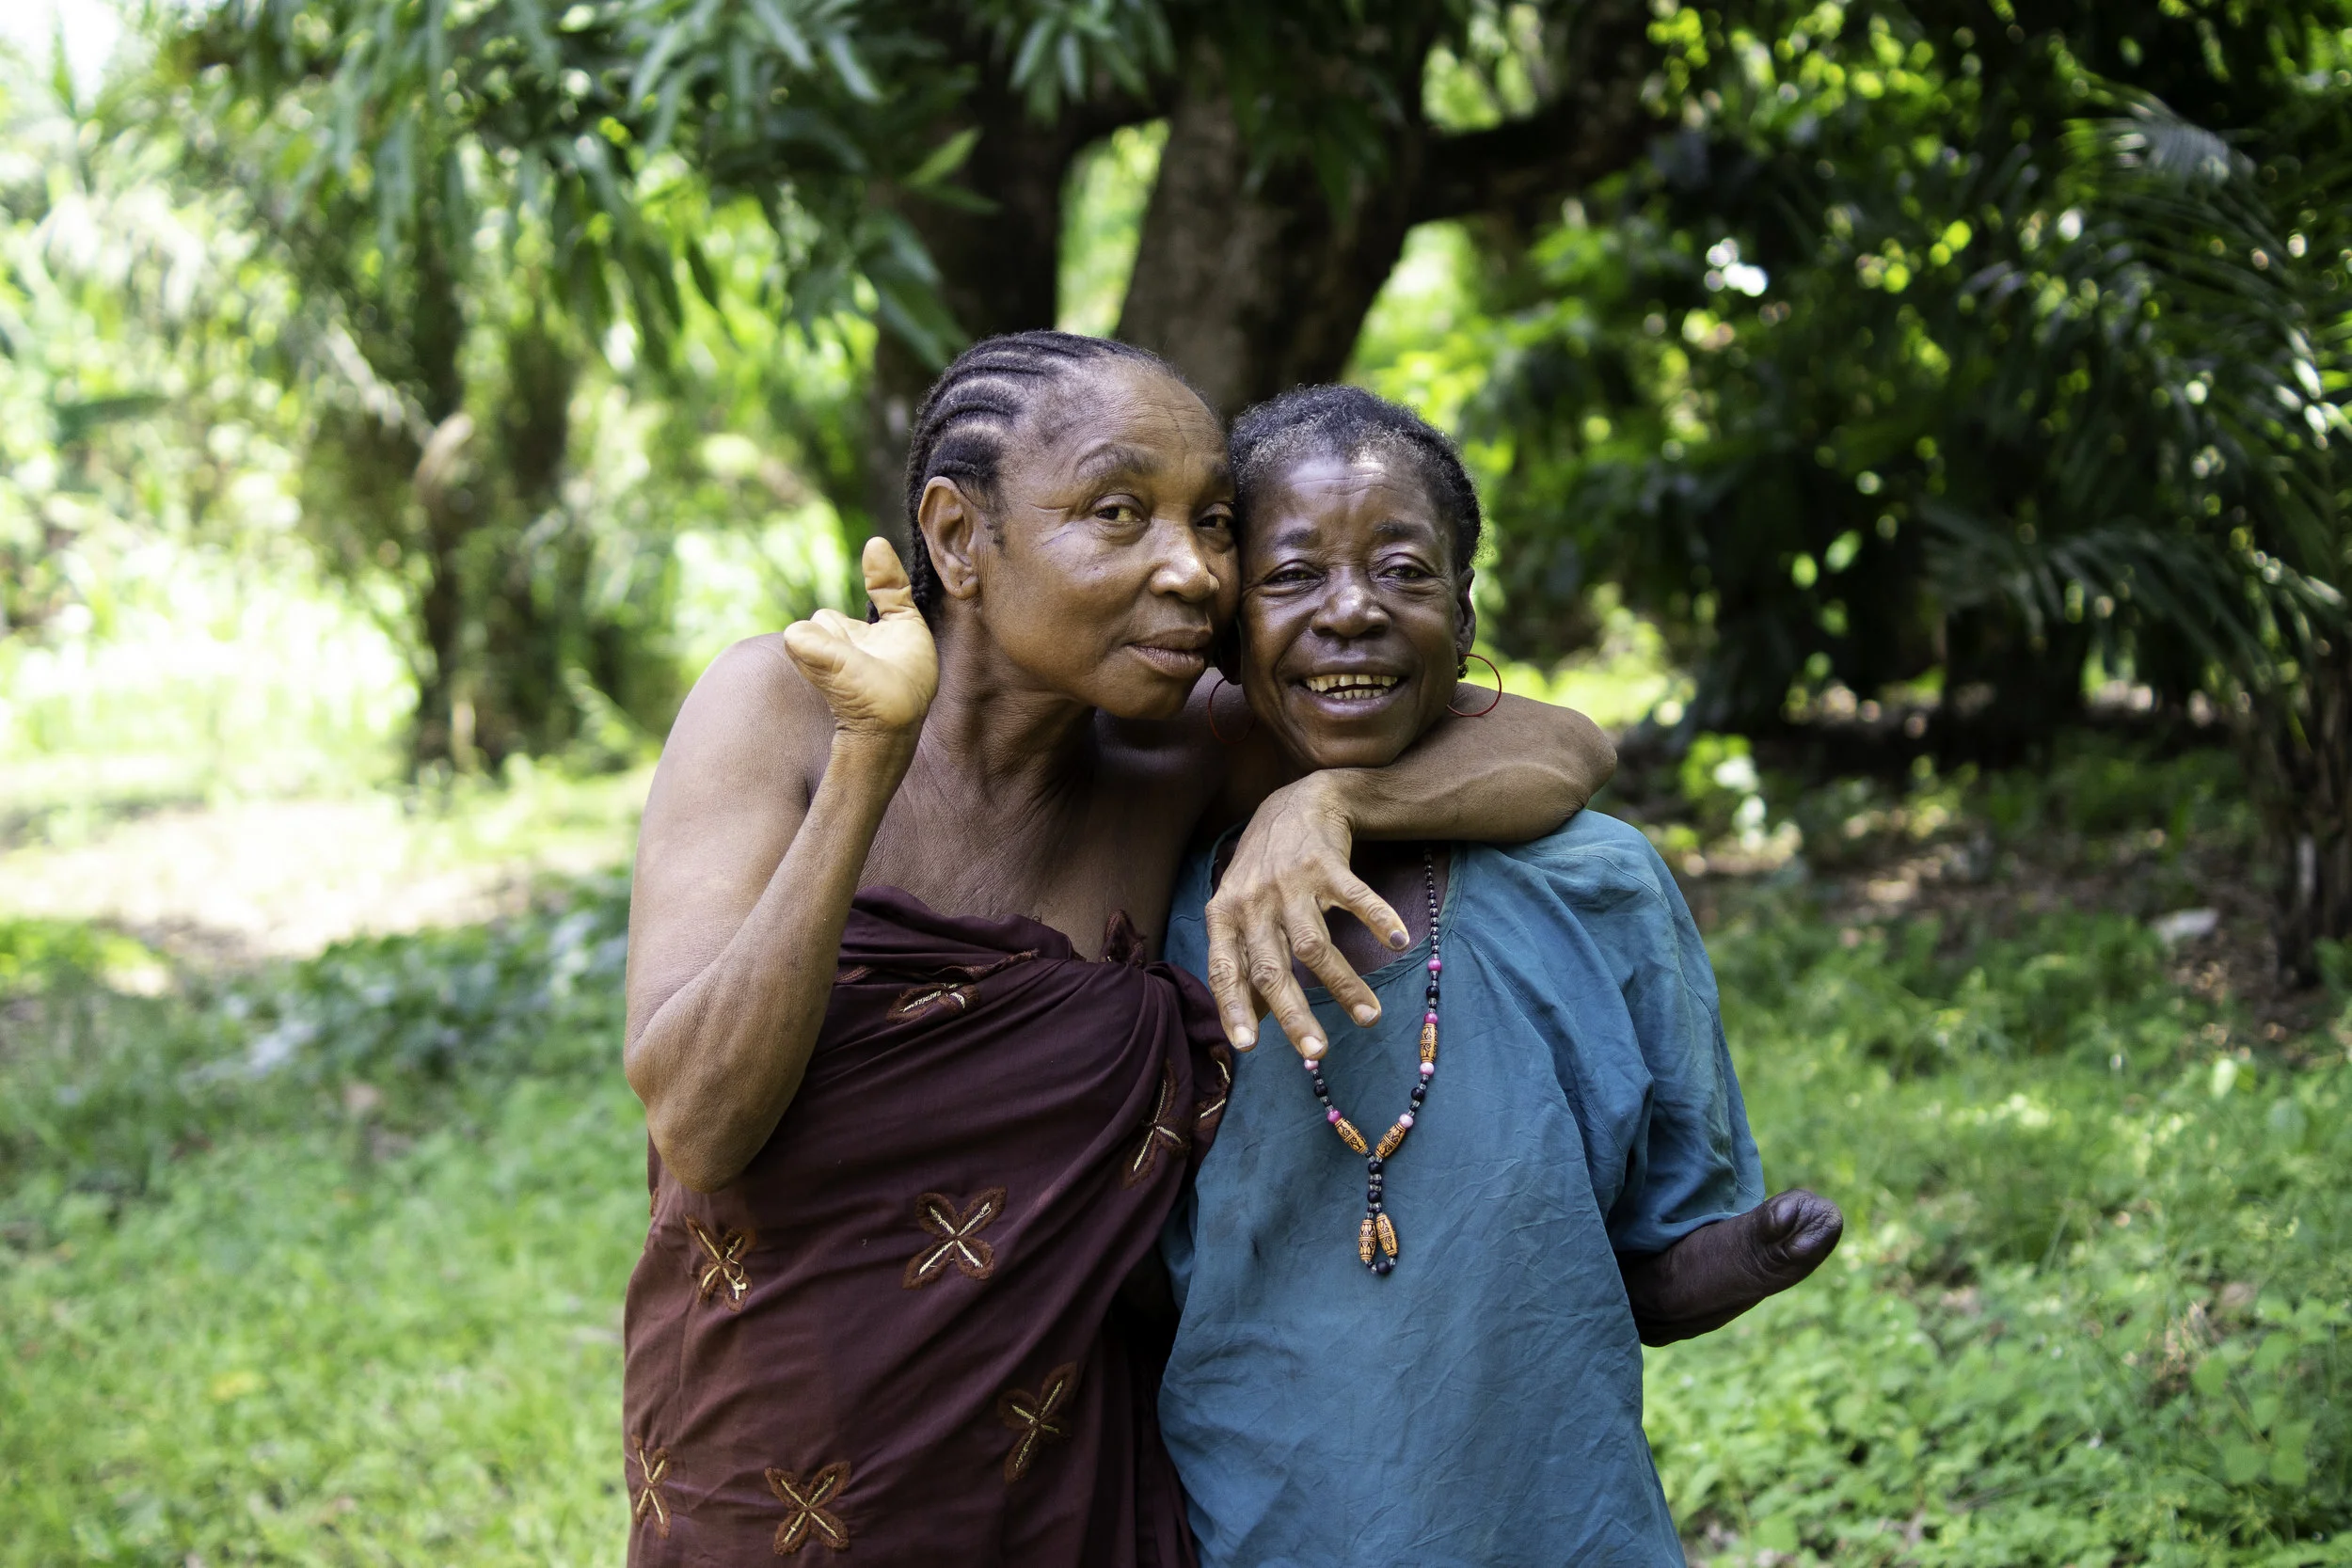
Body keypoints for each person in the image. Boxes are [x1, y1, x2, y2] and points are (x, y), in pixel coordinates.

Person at [616, 334, 1617, 1564]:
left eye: (1213, 524)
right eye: (1119, 513)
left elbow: (1563, 745)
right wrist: (870, 758)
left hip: (1076, 1482)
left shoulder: (1175, 752)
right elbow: (701, 1122)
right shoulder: (774, 704)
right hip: (772, 1470)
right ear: (958, 537)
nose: (1194, 571)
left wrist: (1333, 800)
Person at [1156, 385, 1845, 1567]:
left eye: (1403, 571)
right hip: (1255, 1528)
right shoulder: (1174, 899)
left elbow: (1645, 1267)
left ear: (1464, 612)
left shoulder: (1597, 884)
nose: (1351, 609)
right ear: (1226, 625)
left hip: (1559, 1527)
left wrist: (1745, 1253)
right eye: (1291, 575)